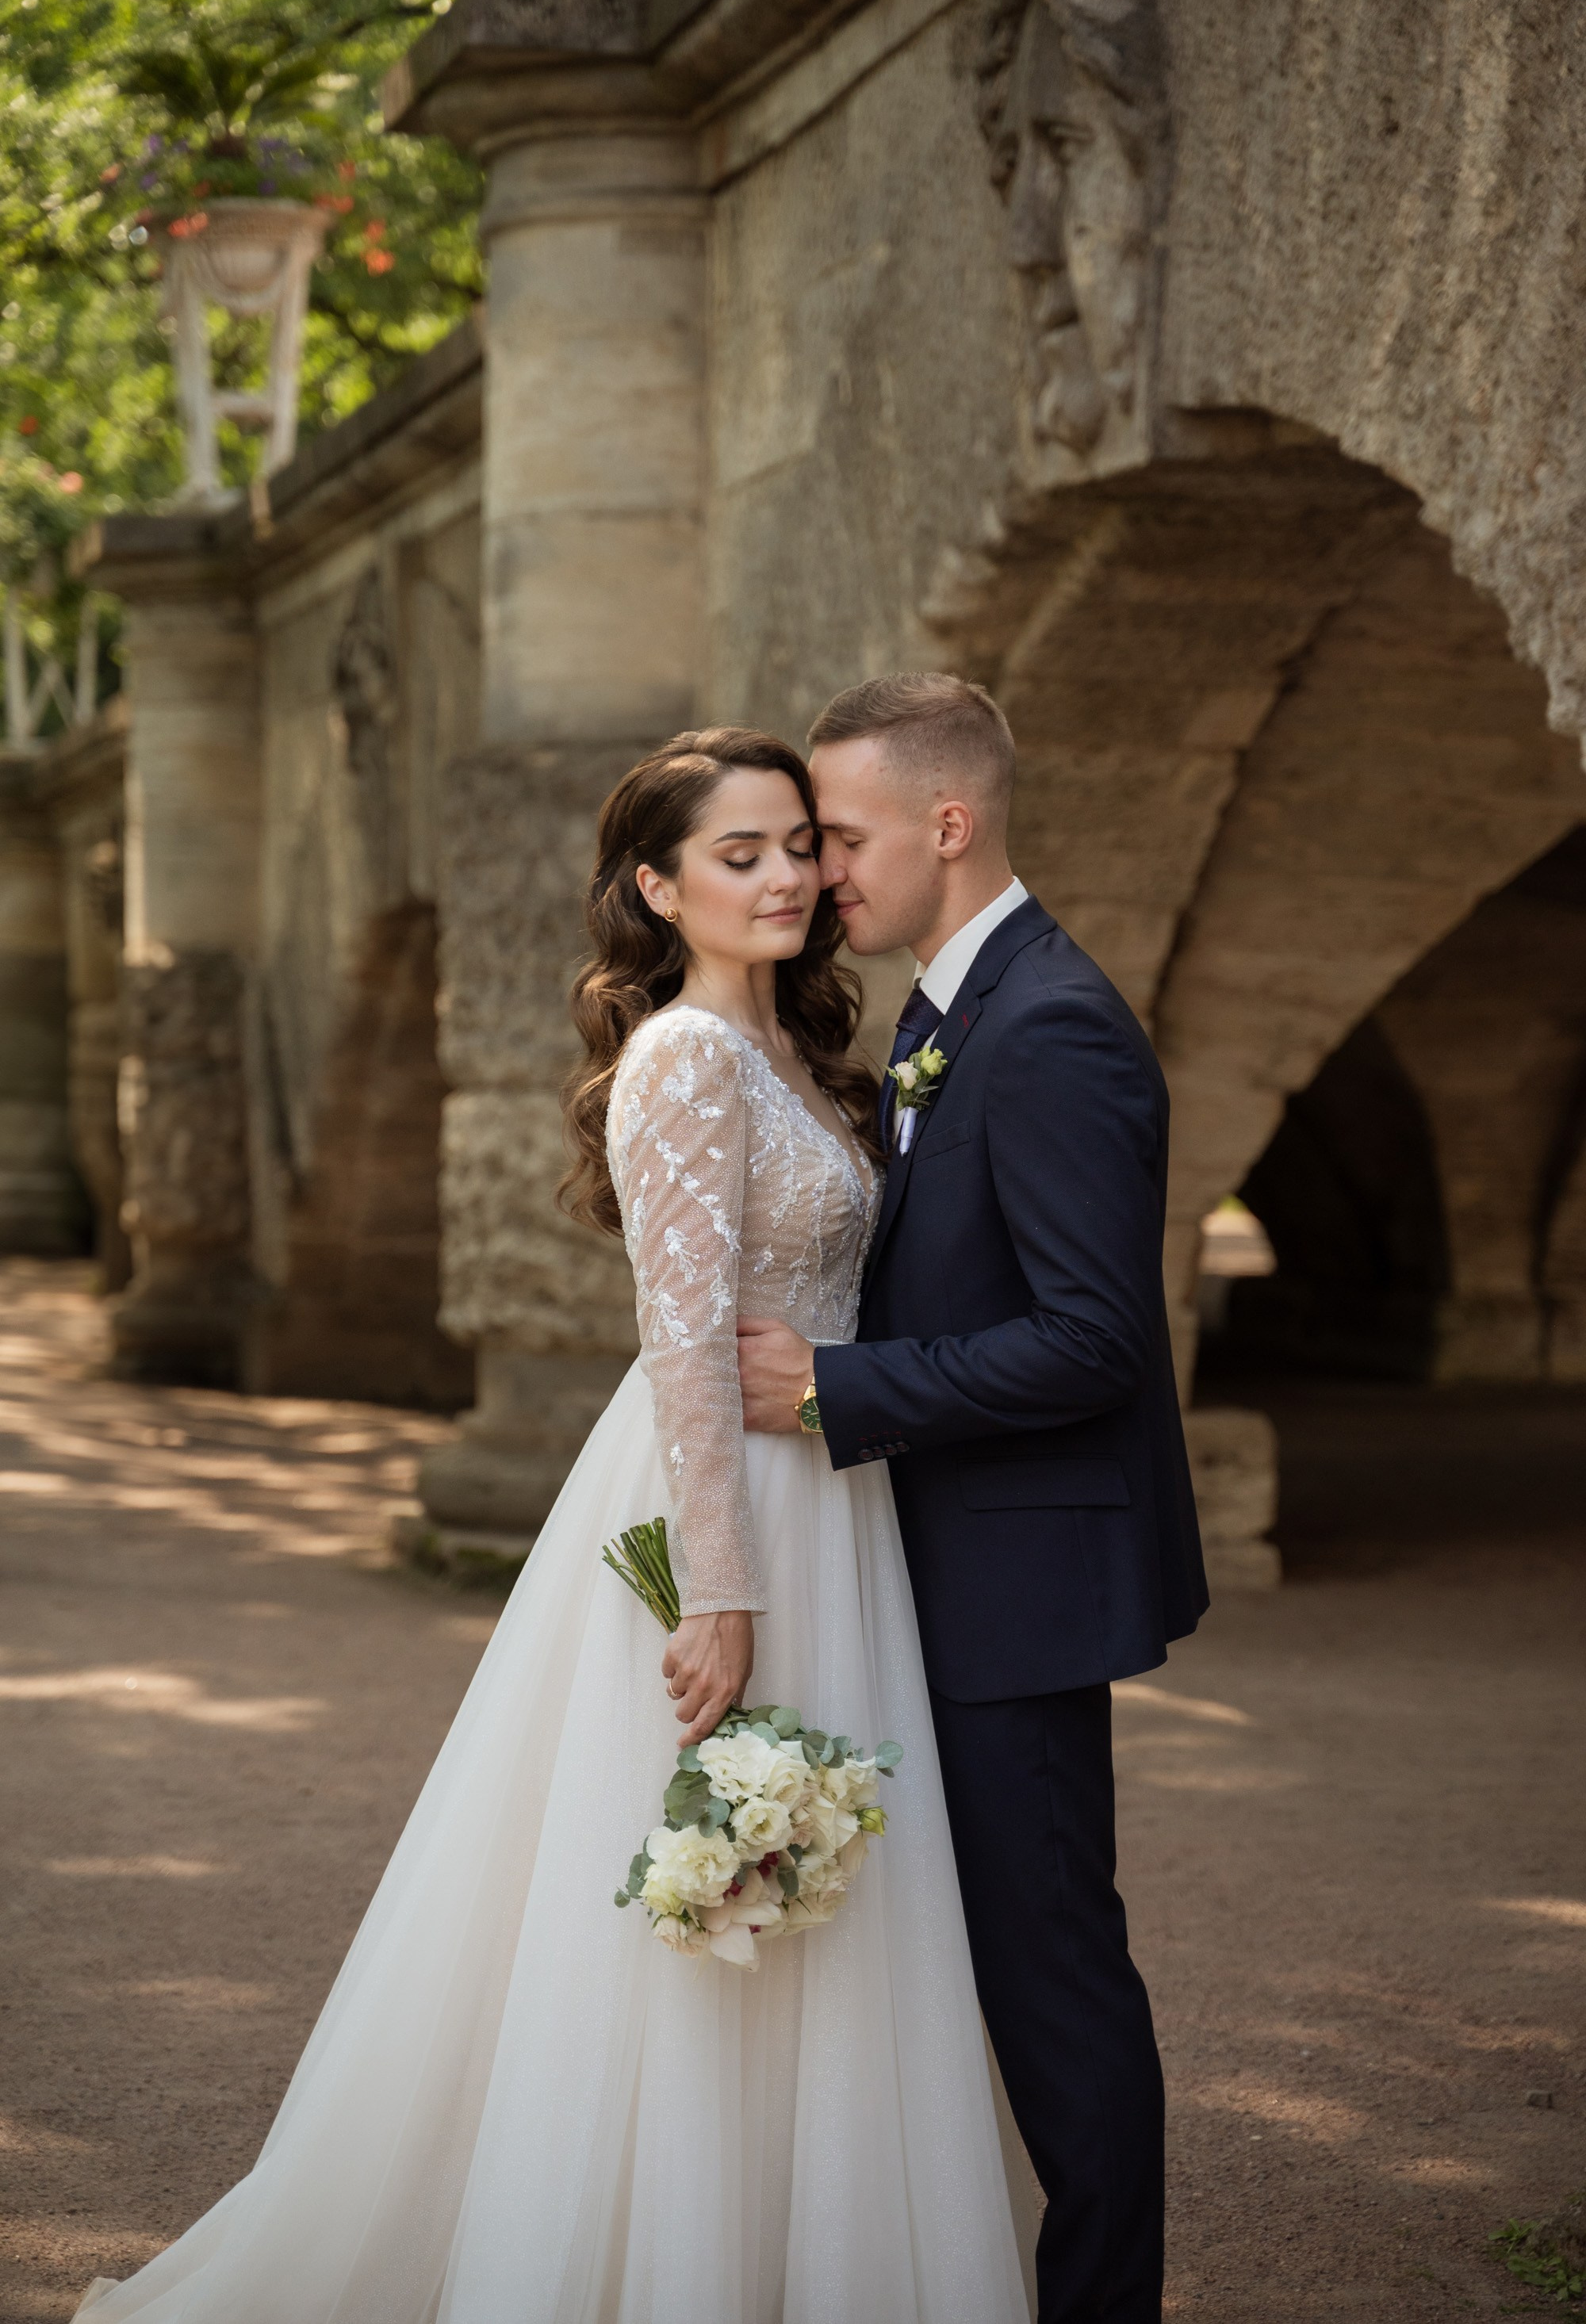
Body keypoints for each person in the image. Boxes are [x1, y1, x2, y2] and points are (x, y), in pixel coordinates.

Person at [71, 727, 1034, 2324]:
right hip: (719, 1501)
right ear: (658, 887)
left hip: (837, 1497)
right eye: (741, 854)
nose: (788, 873)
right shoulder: (679, 1058)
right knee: (711, 1873)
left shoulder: (797, 1050)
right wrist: (713, 1590)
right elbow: (680, 1331)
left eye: (799, 842)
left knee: (831, 1879)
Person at [737, 674, 1209, 2324]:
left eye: (841, 837)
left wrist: (831, 1390)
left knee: (1052, 1975)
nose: (817, 876)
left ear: (949, 822)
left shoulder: (1053, 1020)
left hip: (1016, 1591)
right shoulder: (946, 1014)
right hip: (934, 1565)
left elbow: (1094, 1337)